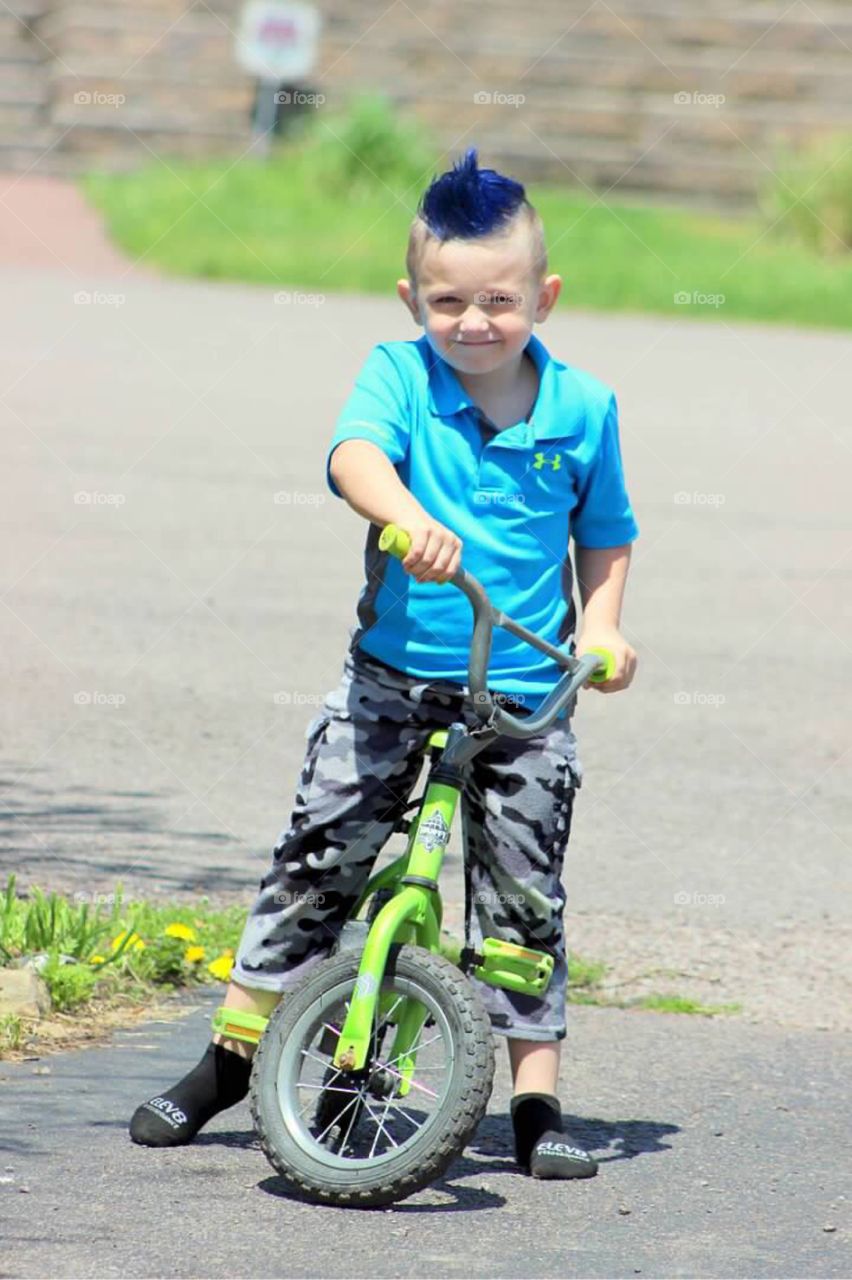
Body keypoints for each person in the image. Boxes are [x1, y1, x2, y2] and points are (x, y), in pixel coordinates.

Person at [130, 148, 639, 1180]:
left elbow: (607, 531)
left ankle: (536, 1099)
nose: (474, 322)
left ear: (543, 295)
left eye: (499, 300)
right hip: (392, 683)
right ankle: (232, 1055)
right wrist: (408, 516)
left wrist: (605, 628)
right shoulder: (399, 373)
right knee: (318, 857)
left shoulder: (584, 408)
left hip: (527, 694)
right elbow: (353, 455)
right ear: (414, 297)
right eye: (447, 300)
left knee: (522, 897)